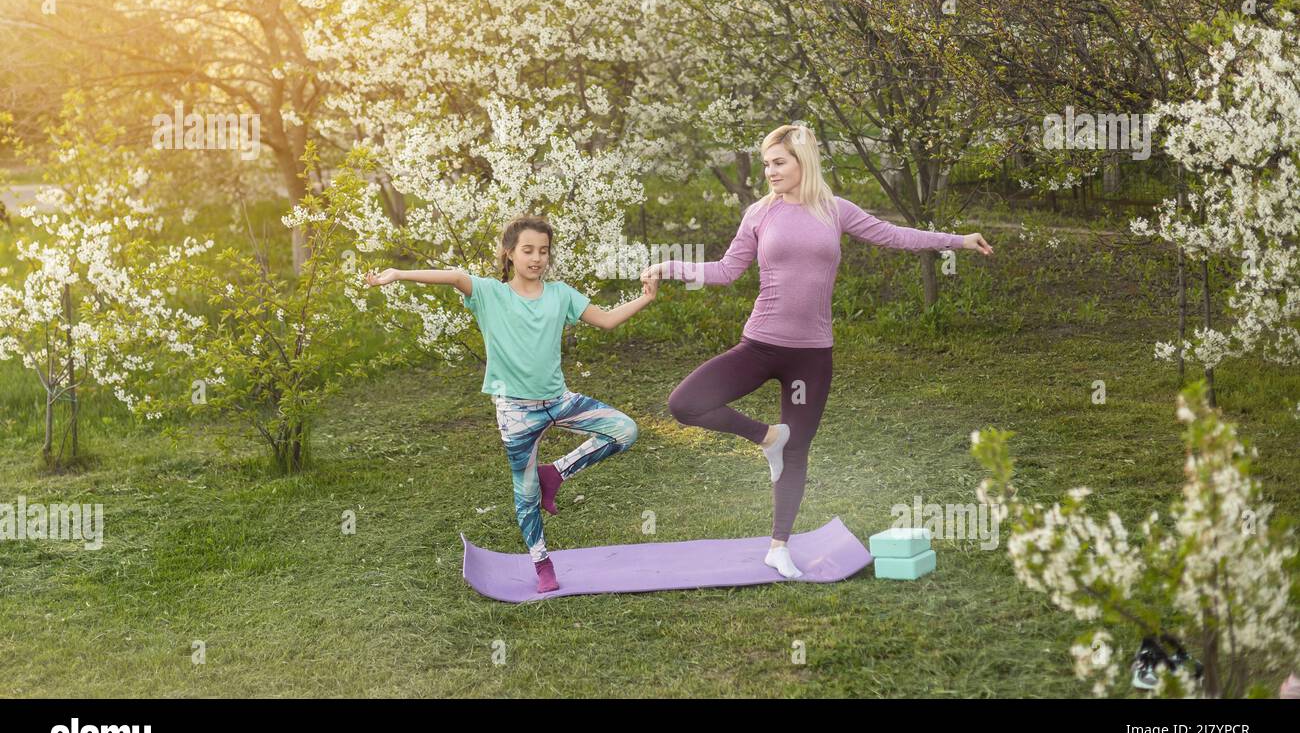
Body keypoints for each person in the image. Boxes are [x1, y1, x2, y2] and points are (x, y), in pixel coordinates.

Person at [643, 124, 993, 578]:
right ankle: (767, 437)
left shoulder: (835, 210)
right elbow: (727, 270)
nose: (769, 171)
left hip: (811, 356)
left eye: (779, 162)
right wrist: (668, 267)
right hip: (761, 345)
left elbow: (894, 236)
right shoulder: (759, 214)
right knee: (684, 403)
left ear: (803, 162)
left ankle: (778, 545)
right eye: (767, 163)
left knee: (798, 449)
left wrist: (957, 241)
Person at [366, 214, 658, 593]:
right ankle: (541, 563)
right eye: (528, 250)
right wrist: (399, 274)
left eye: (543, 251)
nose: (536, 258)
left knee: (624, 430)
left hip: (559, 400)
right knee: (525, 492)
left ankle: (557, 473)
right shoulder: (491, 294)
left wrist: (647, 298)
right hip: (516, 411)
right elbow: (455, 276)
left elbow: (604, 320)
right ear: (509, 253)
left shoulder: (561, 294)